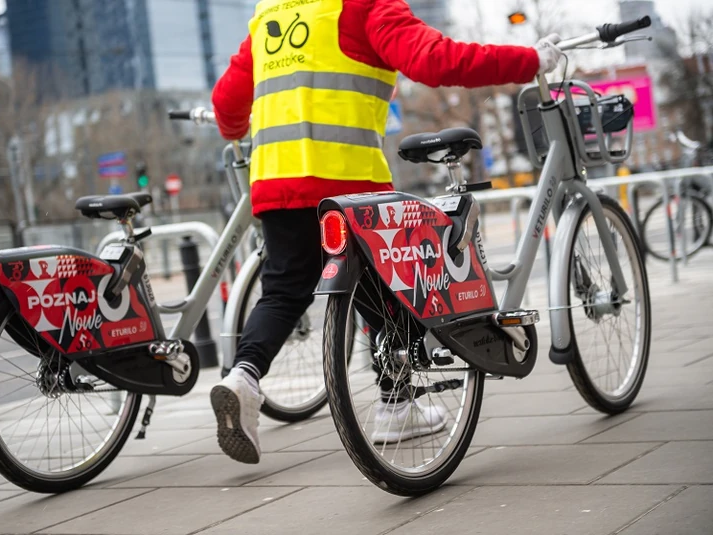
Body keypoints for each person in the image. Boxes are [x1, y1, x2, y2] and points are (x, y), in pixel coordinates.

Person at [208, 0, 562, 464]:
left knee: (283, 291)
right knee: (387, 290)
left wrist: (237, 128)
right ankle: (396, 403)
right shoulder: (361, 5)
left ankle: (244, 377)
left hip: (277, 181)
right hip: (348, 181)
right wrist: (530, 60)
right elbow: (435, 59)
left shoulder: (271, 13)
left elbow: (226, 103)